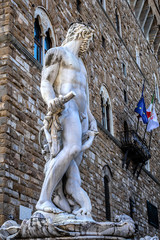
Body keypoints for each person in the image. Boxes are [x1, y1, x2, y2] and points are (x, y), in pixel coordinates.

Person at [36, 23, 98, 216]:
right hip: (66, 106)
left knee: (73, 165)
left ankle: (63, 200)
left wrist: (92, 119)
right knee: (72, 148)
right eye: (87, 39)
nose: (87, 45)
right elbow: (46, 81)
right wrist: (51, 101)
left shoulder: (82, 65)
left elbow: (85, 96)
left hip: (81, 116)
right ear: (80, 34)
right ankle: (43, 199)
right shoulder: (57, 53)